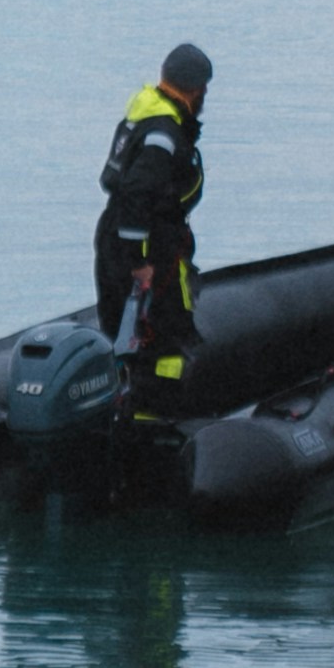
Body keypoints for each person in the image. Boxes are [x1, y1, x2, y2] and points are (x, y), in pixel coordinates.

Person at [94, 42, 213, 425]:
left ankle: (135, 413)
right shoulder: (163, 136)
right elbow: (137, 196)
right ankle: (154, 421)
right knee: (166, 344)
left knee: (131, 338)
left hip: (119, 241)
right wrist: (139, 264)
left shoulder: (145, 113)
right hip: (150, 251)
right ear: (196, 90)